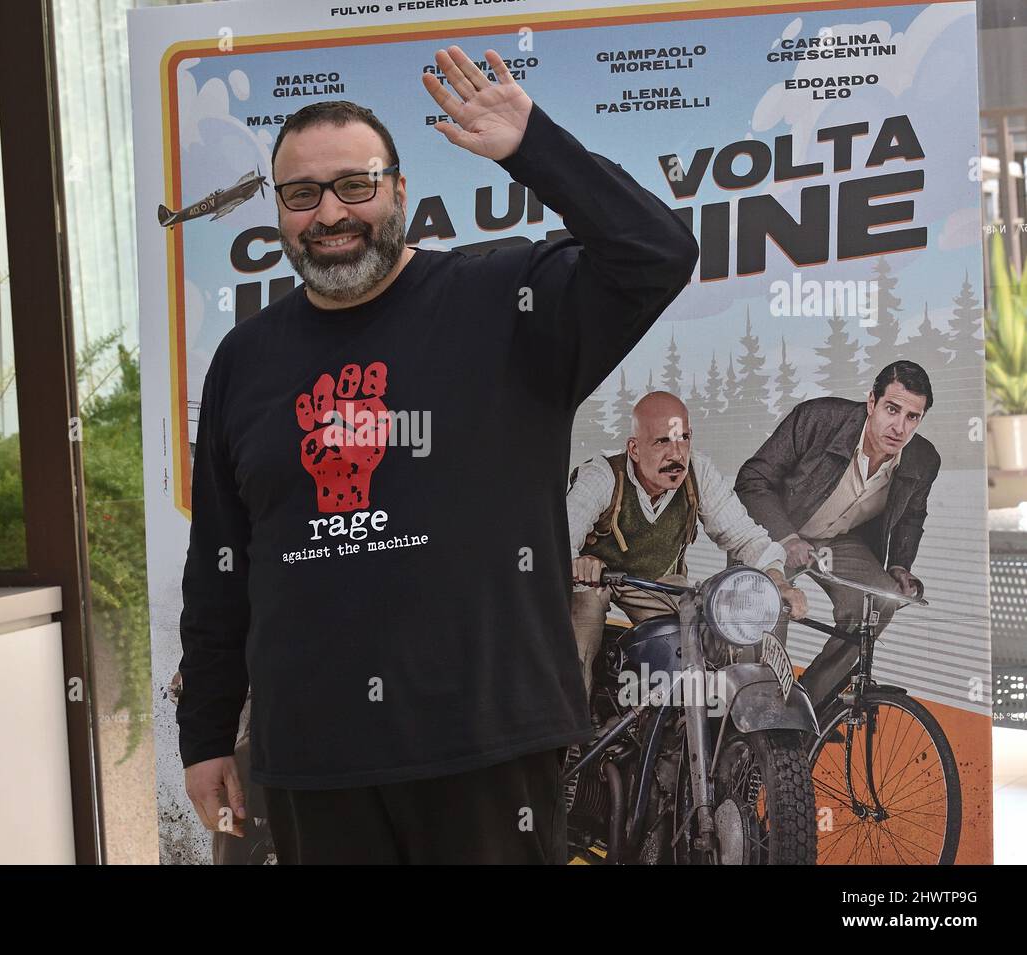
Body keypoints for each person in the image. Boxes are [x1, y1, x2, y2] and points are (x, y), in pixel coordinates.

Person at [177, 45, 698, 865]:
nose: (330, 213)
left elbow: (658, 254)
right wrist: (205, 733)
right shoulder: (246, 360)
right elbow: (219, 570)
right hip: (315, 762)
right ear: (278, 210)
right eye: (302, 194)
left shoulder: (505, 301)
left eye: (356, 184)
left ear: (400, 191)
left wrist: (535, 146)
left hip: (488, 751)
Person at [567, 391, 807, 698]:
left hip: (655, 582)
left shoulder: (698, 473)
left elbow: (745, 536)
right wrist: (578, 563)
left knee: (702, 636)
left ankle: (677, 725)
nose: (677, 453)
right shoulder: (602, 476)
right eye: (662, 441)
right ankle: (572, 737)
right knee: (580, 633)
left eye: (684, 438)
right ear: (634, 449)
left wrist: (777, 580)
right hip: (595, 581)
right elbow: (560, 538)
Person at [734, 360, 940, 713]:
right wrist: (786, 538)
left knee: (881, 600)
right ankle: (759, 714)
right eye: (892, 409)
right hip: (775, 533)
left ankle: (805, 707)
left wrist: (901, 566)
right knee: (768, 608)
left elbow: (912, 516)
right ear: (871, 402)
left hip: (837, 540)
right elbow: (752, 479)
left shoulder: (923, 459)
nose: (899, 426)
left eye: (912, 417)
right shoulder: (817, 419)